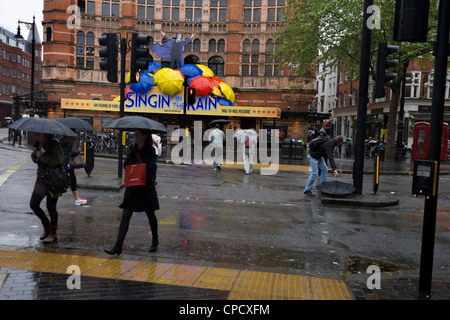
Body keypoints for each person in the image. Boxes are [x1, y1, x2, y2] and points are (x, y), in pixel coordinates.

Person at [105, 129, 160, 256]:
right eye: (135, 134)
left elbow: (148, 167)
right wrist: (131, 154)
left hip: (145, 187)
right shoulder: (133, 149)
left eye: (137, 134)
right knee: (126, 214)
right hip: (133, 187)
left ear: (145, 136)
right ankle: (118, 246)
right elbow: (126, 165)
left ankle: (155, 240)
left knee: (150, 214)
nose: (135, 137)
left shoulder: (151, 151)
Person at [30, 133, 64, 244]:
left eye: (39, 135)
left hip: (53, 179)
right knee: (34, 204)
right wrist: (36, 153)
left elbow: (58, 160)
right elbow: (34, 158)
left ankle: (53, 233)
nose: (37, 136)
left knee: (51, 207)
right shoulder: (40, 145)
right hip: (42, 179)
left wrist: (42, 157)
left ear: (46, 135)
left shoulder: (55, 145)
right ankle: (47, 227)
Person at [59, 135, 87, 206]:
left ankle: (52, 200)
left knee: (60, 181)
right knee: (72, 181)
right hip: (69, 164)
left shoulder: (61, 140)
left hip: (61, 163)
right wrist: (79, 149)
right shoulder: (73, 141)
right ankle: (77, 200)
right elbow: (74, 152)